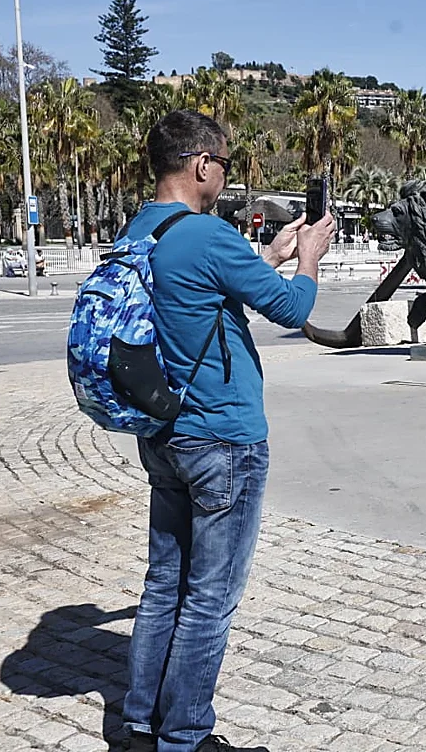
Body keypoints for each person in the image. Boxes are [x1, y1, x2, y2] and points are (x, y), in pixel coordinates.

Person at [120, 109, 335, 752]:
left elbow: (201, 292)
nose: (224, 175)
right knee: (210, 597)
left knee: (164, 583)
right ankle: (184, 737)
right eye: (225, 164)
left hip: (162, 431)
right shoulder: (209, 236)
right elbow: (294, 309)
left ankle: (138, 724)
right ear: (201, 165)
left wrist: (265, 255)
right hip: (222, 438)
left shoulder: (143, 229)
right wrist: (310, 261)